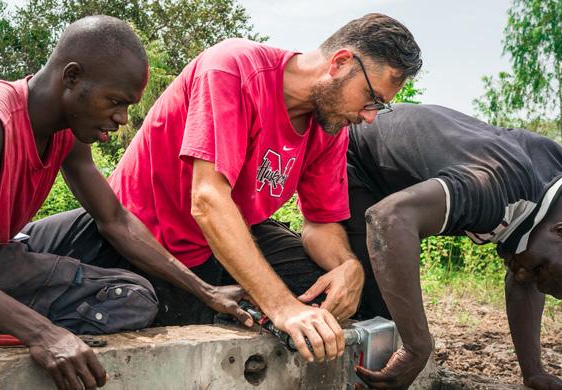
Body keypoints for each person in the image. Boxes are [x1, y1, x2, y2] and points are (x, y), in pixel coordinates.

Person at [26, 13, 422, 363]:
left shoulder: (329, 125)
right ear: (340, 63)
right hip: (143, 239)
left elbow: (320, 223)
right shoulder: (233, 68)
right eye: (371, 98)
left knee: (327, 302)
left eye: (379, 107)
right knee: (142, 309)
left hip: (225, 241)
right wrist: (281, 306)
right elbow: (208, 200)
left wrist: (346, 266)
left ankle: (234, 305)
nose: (370, 117)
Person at [0, 16, 241, 390]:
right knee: (133, 299)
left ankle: (32, 287)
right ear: (72, 77)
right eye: (115, 101)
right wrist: (42, 334)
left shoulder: (66, 130)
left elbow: (114, 219)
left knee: (96, 229)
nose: (121, 119)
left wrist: (205, 291)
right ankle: (28, 320)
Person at [344, 104, 562, 389]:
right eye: (538, 269)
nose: (523, 276)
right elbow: (387, 218)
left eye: (538, 281)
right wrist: (417, 345)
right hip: (353, 151)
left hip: (392, 161)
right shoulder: (495, 189)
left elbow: (525, 282)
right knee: (375, 318)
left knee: (388, 324)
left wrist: (533, 371)